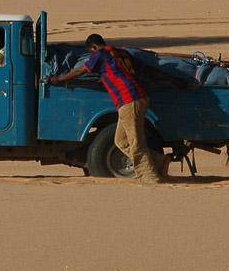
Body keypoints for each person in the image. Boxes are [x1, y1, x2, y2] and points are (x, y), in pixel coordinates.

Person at [50, 33, 186, 184]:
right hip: (137, 98)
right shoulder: (121, 52)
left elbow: (78, 71)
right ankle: (159, 161)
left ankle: (150, 177)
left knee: (136, 143)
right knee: (121, 141)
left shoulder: (100, 54)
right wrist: (173, 79)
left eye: (90, 52)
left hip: (129, 99)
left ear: (93, 47)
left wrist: (59, 79)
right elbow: (147, 69)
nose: (91, 55)